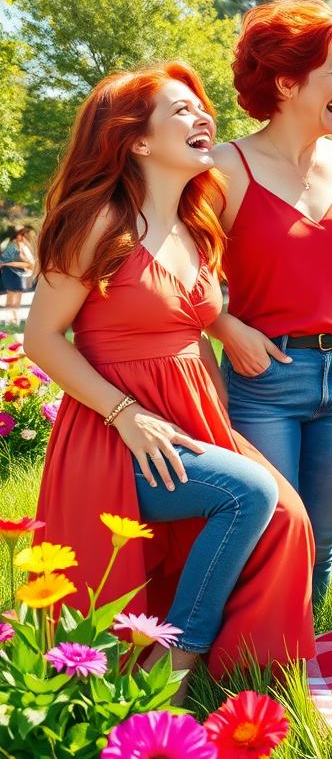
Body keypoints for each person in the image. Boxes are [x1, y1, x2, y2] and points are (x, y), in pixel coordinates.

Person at [25, 62, 315, 690]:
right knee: (250, 494)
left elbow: (195, 325)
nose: (202, 117)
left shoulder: (195, 224)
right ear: (137, 140)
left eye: (201, 106)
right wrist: (125, 415)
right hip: (114, 437)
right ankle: (177, 661)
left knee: (287, 513)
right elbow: (41, 338)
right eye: (181, 110)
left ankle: (242, 667)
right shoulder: (99, 222)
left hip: (190, 420)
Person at [209, 0, 332, 608]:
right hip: (265, 376)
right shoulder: (224, 169)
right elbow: (184, 275)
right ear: (288, 82)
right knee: (270, 533)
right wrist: (226, 327)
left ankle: (301, 663)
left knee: (321, 539)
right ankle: (244, 663)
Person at [1, 226, 36, 322]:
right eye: (23, 235)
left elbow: (30, 262)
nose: (24, 237)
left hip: (20, 273)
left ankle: (15, 318)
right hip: (10, 272)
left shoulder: (24, 246)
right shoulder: (12, 246)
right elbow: (4, 260)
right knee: (11, 294)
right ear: (18, 236)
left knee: (18, 292)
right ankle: (10, 319)